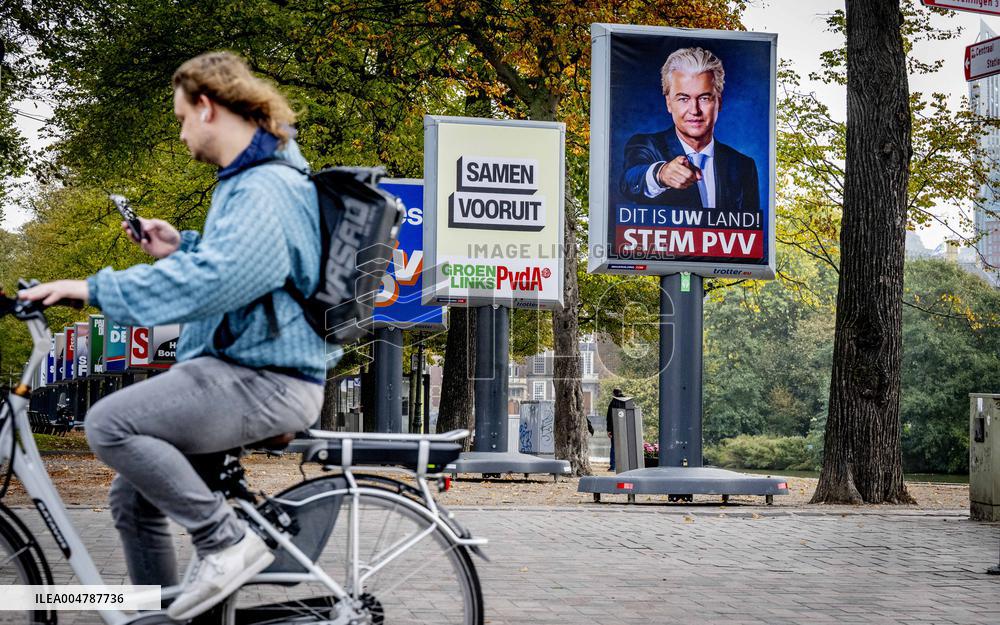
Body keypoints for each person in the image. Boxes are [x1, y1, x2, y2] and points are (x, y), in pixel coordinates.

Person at [19, 51, 332, 621]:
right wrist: (181, 246)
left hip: (265, 377)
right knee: (132, 499)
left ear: (207, 107)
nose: (182, 131)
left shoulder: (266, 183)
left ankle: (226, 543)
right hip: (245, 367)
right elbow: (243, 264)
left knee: (109, 422)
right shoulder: (249, 181)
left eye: (182, 118)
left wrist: (94, 288)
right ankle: (161, 617)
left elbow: (218, 282)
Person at [619, 46, 760, 212]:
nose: (694, 110)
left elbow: (750, 232)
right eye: (683, 99)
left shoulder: (743, 166)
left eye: (704, 98)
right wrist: (661, 174)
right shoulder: (646, 146)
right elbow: (630, 180)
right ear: (668, 103)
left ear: (719, 102)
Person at [605, 388, 624, 472]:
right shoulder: (627, 402)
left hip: (614, 429)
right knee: (624, 447)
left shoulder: (613, 403)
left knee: (613, 447)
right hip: (625, 429)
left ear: (614, 394)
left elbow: (609, 418)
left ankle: (613, 467)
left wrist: (609, 430)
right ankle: (624, 466)